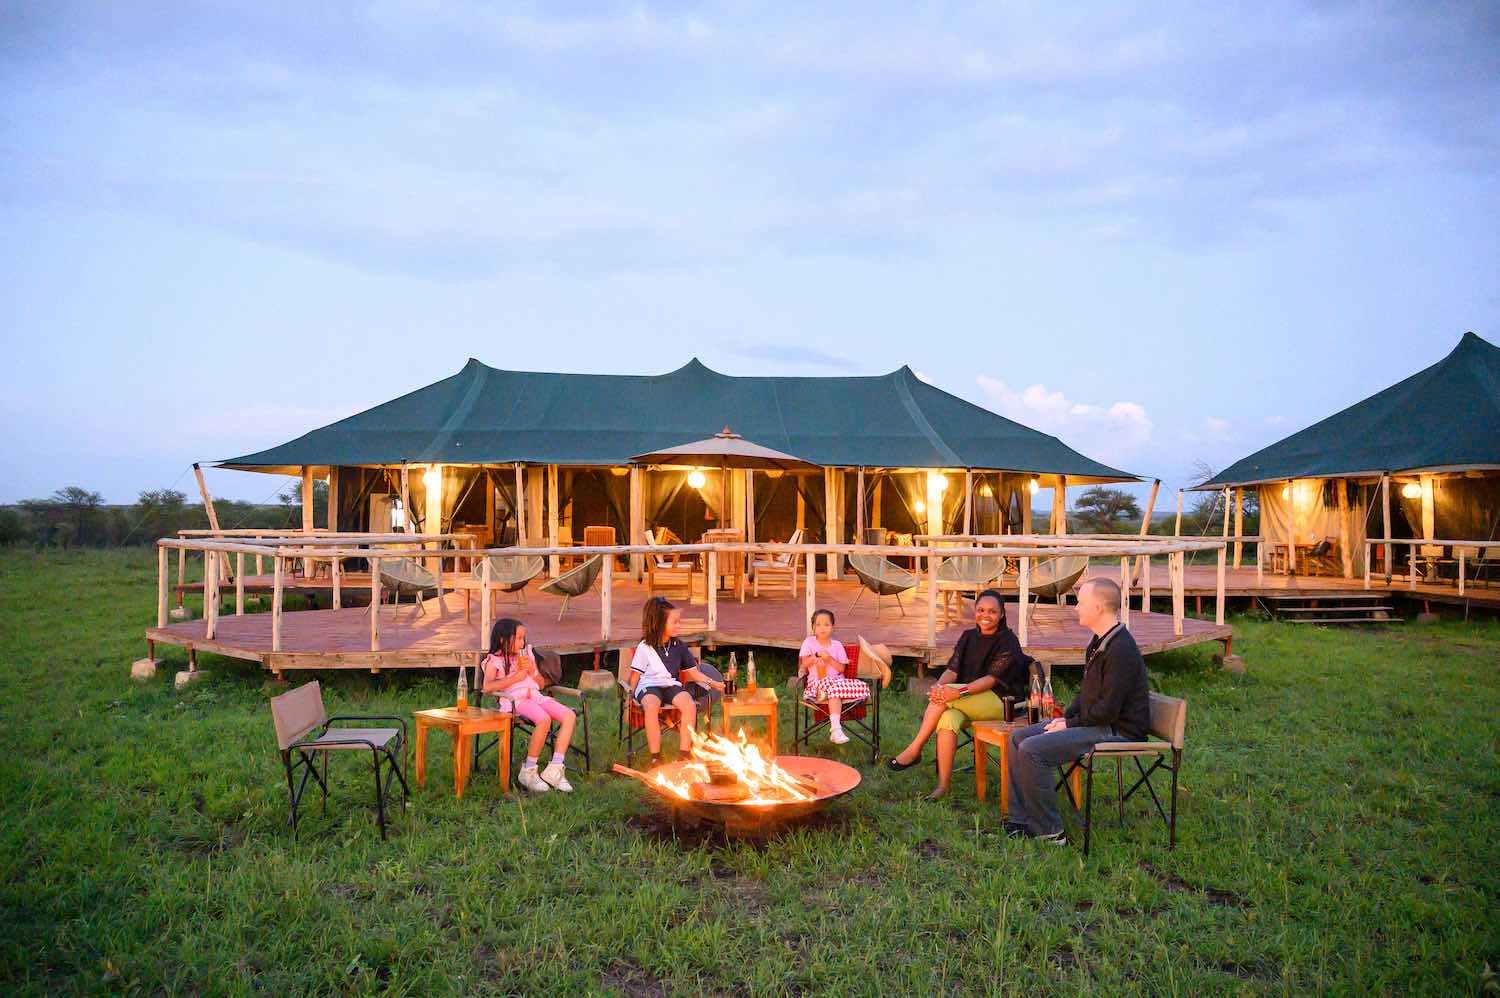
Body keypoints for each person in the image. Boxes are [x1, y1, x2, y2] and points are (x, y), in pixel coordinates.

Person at [1005, 577, 1151, 844]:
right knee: (1017, 738)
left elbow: (1108, 711)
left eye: (1081, 603)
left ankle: (1050, 831)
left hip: (1119, 730)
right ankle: (1022, 819)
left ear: (1098, 607)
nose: (1076, 608)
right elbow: (1087, 695)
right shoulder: (1099, 642)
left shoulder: (1121, 650)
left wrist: (1070, 725)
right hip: (1099, 722)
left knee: (1032, 750)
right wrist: (1063, 718)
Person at [886, 589, 1034, 799]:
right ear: (975, 611)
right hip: (968, 700)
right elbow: (952, 670)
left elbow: (992, 680)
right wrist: (939, 687)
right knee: (946, 719)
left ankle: (915, 749)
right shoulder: (968, 637)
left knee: (945, 698)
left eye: (992, 611)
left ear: (1001, 614)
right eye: (981, 610)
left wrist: (958, 692)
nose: (985, 615)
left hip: (1002, 702)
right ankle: (943, 786)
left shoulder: (1008, 640)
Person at [481, 617, 577, 794]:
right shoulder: (495, 660)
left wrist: (532, 670)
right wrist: (515, 677)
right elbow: (487, 687)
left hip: (535, 696)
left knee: (569, 716)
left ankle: (555, 768)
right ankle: (529, 770)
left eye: (523, 638)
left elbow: (540, 684)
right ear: (503, 639)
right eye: (518, 638)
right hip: (515, 701)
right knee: (544, 719)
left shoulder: (526, 655)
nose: (522, 642)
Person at [628, 596, 725, 765]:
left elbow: (694, 673)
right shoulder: (645, 646)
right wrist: (630, 695)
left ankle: (684, 754)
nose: (678, 625)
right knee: (651, 706)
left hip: (671, 685)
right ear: (659, 623)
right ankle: (655, 757)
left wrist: (713, 683)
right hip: (649, 685)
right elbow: (635, 675)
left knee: (689, 705)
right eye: (674, 622)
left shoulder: (679, 646)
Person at [798, 609, 868, 744]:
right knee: (834, 689)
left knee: (861, 685)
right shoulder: (809, 642)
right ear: (813, 627)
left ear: (833, 627)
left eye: (826, 624)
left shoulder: (837, 645)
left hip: (837, 683)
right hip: (818, 685)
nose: (822, 628)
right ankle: (836, 729)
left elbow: (842, 668)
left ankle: (836, 730)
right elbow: (804, 664)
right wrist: (816, 655)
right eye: (818, 624)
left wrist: (829, 659)